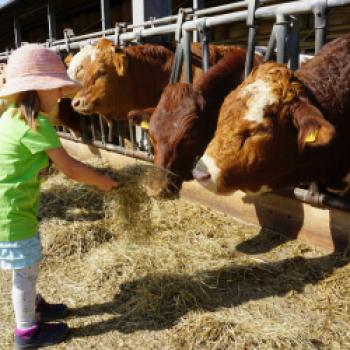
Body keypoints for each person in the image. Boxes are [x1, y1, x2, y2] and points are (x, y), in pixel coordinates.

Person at [0, 44, 120, 349]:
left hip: (9, 206)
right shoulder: (36, 124)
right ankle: (27, 332)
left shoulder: (9, 118)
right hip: (11, 214)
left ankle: (35, 306)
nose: (59, 96)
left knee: (24, 266)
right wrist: (103, 181)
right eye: (55, 89)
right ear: (38, 90)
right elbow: (70, 169)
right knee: (24, 272)